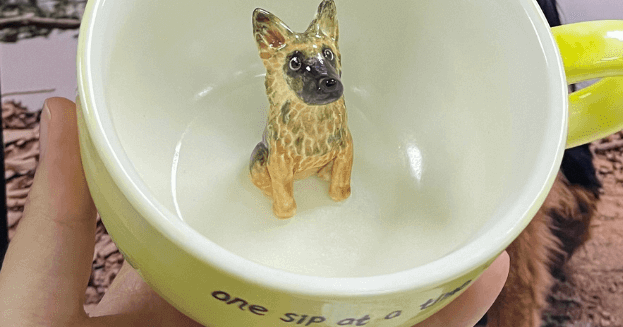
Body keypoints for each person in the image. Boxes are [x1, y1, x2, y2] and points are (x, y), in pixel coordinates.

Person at [0, 98, 509, 326]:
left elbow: (342, 146)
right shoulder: (279, 125)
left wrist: (339, 180)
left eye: (328, 63)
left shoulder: (337, 121)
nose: (321, 77)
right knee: (277, 168)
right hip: (278, 166)